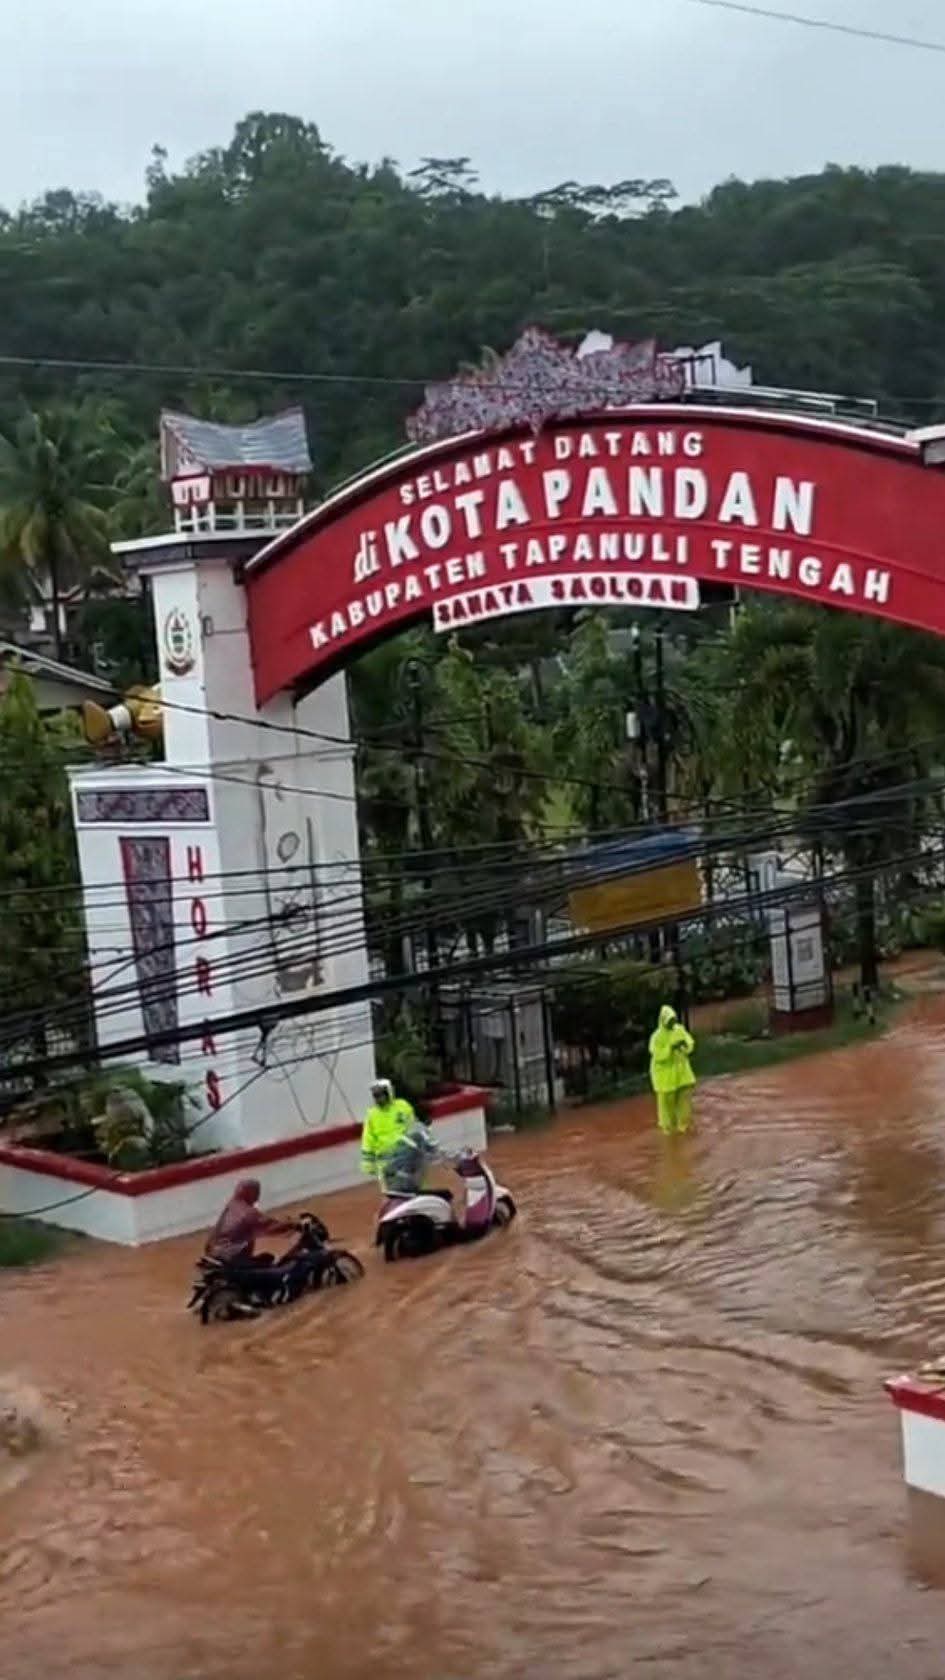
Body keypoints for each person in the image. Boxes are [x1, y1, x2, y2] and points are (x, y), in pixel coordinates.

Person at [204, 1179, 297, 1266]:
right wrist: (292, 1224)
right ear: (250, 1193)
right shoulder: (248, 1212)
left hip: (214, 1251)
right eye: (256, 1192)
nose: (257, 1196)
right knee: (267, 1259)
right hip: (230, 1254)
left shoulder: (231, 1205)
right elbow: (269, 1226)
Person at [648, 1004, 697, 1135]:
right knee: (666, 1109)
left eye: (673, 1019)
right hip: (665, 1078)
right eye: (670, 1020)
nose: (672, 1023)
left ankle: (683, 1129)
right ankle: (668, 1133)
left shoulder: (679, 1030)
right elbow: (657, 1055)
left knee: (684, 1105)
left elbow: (690, 1044)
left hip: (682, 1074)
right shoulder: (656, 1037)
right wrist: (670, 1048)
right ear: (663, 1020)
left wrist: (684, 1046)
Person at [360, 1079, 417, 1185]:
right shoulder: (372, 1114)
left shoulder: (402, 1106)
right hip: (385, 1163)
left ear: (388, 1093)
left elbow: (413, 1127)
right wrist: (368, 1162)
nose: (378, 1099)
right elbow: (368, 1139)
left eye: (380, 1095)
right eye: (375, 1096)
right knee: (393, 1190)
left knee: (412, 1186)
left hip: (405, 1156)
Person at [380, 1113, 446, 1199]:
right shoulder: (417, 1136)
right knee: (444, 1196)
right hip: (406, 1189)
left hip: (392, 1188)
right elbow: (435, 1153)